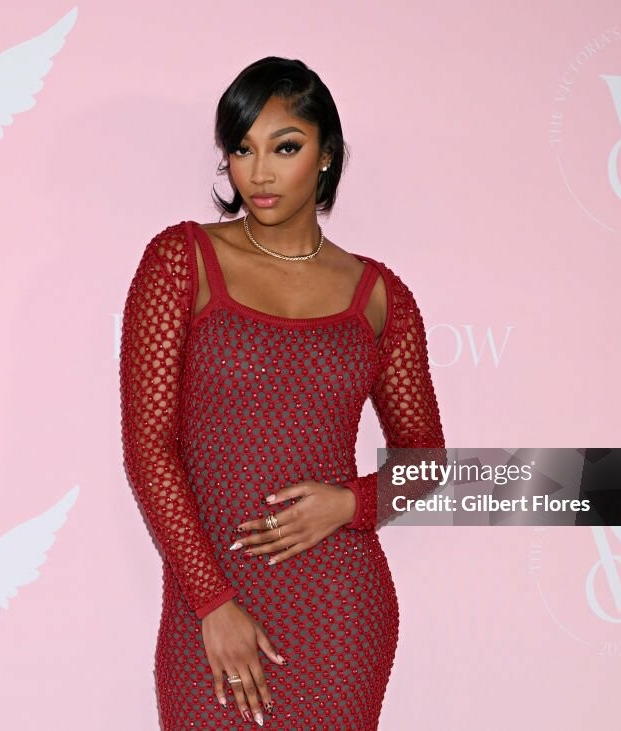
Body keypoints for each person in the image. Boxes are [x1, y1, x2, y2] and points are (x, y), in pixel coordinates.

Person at [120, 56, 445, 730]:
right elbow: (150, 449)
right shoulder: (182, 260)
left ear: (327, 155)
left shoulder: (379, 295)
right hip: (211, 609)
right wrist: (212, 603)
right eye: (243, 149)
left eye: (285, 147)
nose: (259, 172)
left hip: (339, 611)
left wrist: (351, 502)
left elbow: (426, 459)